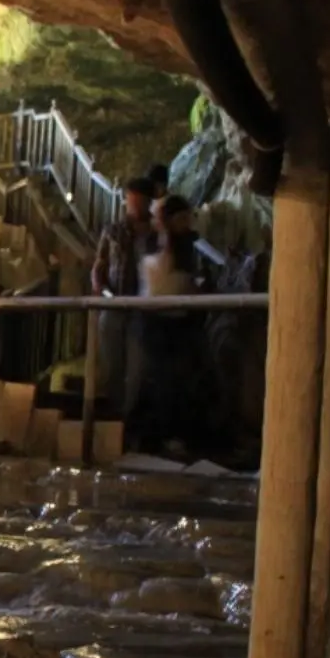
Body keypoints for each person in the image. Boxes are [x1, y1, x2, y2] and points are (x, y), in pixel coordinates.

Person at [127, 194, 219, 455]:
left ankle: (179, 434)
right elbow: (159, 275)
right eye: (180, 218)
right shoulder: (153, 242)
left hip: (182, 322)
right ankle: (151, 436)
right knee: (157, 380)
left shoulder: (190, 245)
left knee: (183, 380)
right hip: (155, 322)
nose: (186, 223)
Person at [89, 176, 156, 414]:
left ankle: (129, 416)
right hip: (115, 304)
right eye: (131, 200)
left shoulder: (157, 235)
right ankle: (115, 416)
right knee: (112, 366)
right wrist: (104, 292)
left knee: (137, 368)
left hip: (143, 310)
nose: (134, 206)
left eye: (139, 201)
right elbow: (99, 267)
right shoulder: (113, 231)